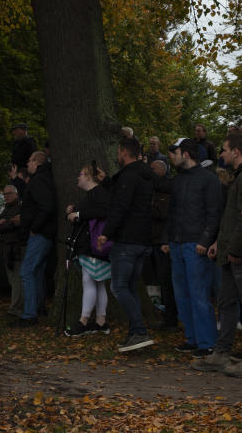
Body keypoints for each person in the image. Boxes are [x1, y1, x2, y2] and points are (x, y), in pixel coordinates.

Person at [192, 131, 242, 376]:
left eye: (224, 150)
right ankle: (222, 352)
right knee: (226, 302)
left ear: (236, 152)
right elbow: (234, 217)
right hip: (231, 252)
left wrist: (234, 249)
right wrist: (220, 243)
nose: (221, 154)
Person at [162, 137, 223, 357]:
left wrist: (205, 241)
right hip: (177, 243)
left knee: (199, 295)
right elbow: (172, 211)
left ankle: (206, 342)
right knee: (182, 295)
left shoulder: (209, 180)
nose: (171, 156)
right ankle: (192, 338)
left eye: (174, 152)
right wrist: (166, 239)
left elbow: (214, 213)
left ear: (185, 154)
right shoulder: (178, 181)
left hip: (196, 245)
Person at [97, 136, 155, 352]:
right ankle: (134, 334)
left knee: (119, 287)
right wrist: (107, 182)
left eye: (118, 152)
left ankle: (139, 331)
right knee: (130, 288)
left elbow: (121, 205)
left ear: (123, 151)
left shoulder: (128, 176)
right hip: (143, 239)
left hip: (127, 240)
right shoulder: (144, 175)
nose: (116, 156)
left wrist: (106, 233)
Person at [63, 162, 112, 336]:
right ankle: (101, 321)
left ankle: (83, 321)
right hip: (93, 245)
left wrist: (78, 214)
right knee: (97, 282)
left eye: (81, 174)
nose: (78, 177)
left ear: (89, 177)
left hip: (94, 245)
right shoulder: (93, 195)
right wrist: (74, 211)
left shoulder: (98, 193)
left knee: (89, 280)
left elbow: (104, 211)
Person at [16, 151, 56, 326]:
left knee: (26, 271)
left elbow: (46, 206)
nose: (27, 164)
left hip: (40, 234)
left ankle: (29, 314)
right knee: (37, 272)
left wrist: (34, 227)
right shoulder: (47, 178)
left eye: (29, 161)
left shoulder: (38, 180)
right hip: (46, 233)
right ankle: (39, 308)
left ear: (37, 162)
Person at [149, 159, 178, 330]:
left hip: (163, 242)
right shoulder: (156, 190)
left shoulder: (166, 191)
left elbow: (162, 213)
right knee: (162, 280)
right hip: (155, 240)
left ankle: (171, 318)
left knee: (167, 281)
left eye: (152, 169)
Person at [0, 185, 26, 318]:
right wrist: (2, 223)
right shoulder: (6, 209)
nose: (6, 197)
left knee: (17, 279)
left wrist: (3, 224)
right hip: (6, 248)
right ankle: (16, 307)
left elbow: (11, 225)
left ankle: (16, 309)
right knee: (13, 279)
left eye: (9, 194)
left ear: (16, 194)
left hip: (15, 248)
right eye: (4, 194)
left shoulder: (20, 208)